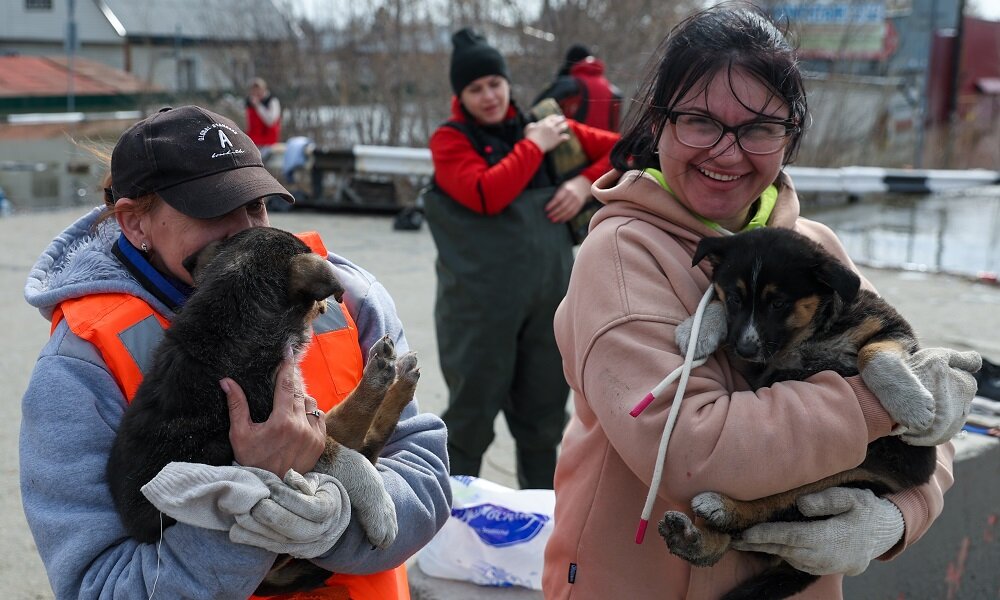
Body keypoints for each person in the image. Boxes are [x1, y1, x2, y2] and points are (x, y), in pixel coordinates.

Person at [542, 5, 980, 599]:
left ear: (789, 138)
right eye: (699, 120)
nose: (727, 152)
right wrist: (878, 406)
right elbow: (694, 457)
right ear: (657, 123)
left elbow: (927, 417)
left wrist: (900, 515)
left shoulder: (816, 251)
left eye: (759, 127)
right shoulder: (622, 256)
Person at [19, 105, 451, 599]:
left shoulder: (345, 294)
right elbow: (98, 587)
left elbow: (427, 477)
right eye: (212, 209)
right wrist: (254, 508)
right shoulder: (79, 367)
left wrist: (330, 520)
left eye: (256, 204)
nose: (245, 227)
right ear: (135, 222)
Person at [424, 28, 619, 489]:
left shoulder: (548, 126)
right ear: (461, 95)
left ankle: (543, 522)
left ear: (508, 82)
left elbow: (628, 150)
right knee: (470, 419)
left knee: (544, 419)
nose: (489, 96)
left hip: (549, 302)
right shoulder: (451, 142)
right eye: (475, 88)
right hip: (477, 311)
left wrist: (580, 183)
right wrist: (534, 147)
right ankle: (451, 521)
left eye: (495, 83)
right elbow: (485, 192)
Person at [532, 43, 623, 132]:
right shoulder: (614, 92)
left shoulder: (567, 84)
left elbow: (536, 112)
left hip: (570, 143)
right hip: (603, 146)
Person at [246, 77, 282, 151]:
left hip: (269, 143)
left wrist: (258, 106)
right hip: (254, 141)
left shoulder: (272, 101)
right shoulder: (249, 104)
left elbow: (271, 122)